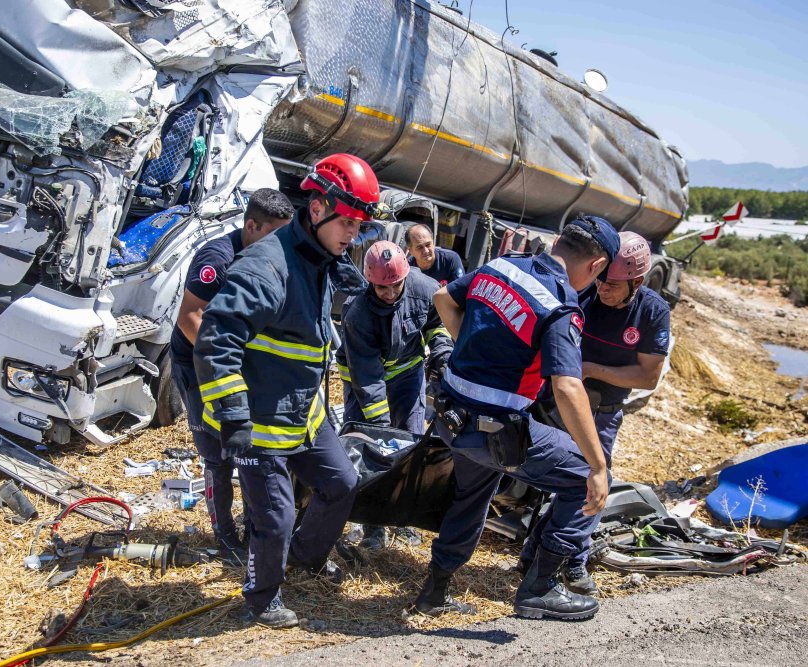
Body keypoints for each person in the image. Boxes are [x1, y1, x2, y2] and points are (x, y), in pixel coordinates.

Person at [194, 153, 379, 628]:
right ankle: (261, 598)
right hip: (257, 421)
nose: (353, 236)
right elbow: (216, 338)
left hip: (303, 413)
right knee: (272, 519)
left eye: (360, 227)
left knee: (342, 483)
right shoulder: (266, 266)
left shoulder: (317, 258)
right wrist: (233, 414)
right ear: (317, 208)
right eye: (349, 224)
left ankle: (305, 557)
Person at [411, 215, 620, 621]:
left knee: (471, 496)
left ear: (558, 241)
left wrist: (473, 352)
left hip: (451, 418)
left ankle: (433, 593)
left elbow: (443, 300)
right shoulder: (561, 305)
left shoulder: (502, 265)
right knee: (583, 480)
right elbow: (567, 387)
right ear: (596, 267)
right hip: (496, 432)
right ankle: (540, 589)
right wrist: (598, 464)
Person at [519, 231, 671, 595]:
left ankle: (571, 560)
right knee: (563, 481)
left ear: (638, 280)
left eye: (614, 284)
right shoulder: (585, 292)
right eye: (602, 278)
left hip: (601, 411)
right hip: (558, 405)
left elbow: (647, 376)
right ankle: (539, 554)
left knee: (591, 482)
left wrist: (586, 368)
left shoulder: (651, 311)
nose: (604, 288)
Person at [169, 189, 294, 562]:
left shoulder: (267, 257)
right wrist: (225, 364)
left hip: (239, 369)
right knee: (217, 456)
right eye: (276, 236)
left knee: (250, 450)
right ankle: (224, 536)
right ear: (251, 226)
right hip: (198, 366)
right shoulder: (218, 258)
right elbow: (190, 315)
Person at [337, 240, 453, 549]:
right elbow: (367, 375)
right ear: (370, 281)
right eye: (382, 289)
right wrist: (380, 427)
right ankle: (371, 525)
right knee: (371, 449)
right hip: (366, 384)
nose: (390, 295)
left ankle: (403, 518)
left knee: (410, 442)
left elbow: (436, 326)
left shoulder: (424, 287)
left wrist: (441, 354)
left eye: (396, 287)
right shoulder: (357, 312)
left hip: (407, 377)